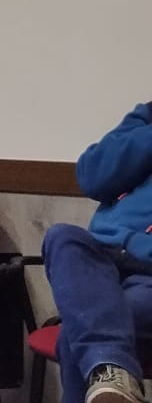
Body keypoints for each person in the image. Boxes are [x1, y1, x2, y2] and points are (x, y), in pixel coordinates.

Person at [41, 104, 152, 403]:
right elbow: (92, 176)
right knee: (62, 236)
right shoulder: (145, 118)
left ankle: (111, 374)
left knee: (76, 336)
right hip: (103, 261)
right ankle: (113, 376)